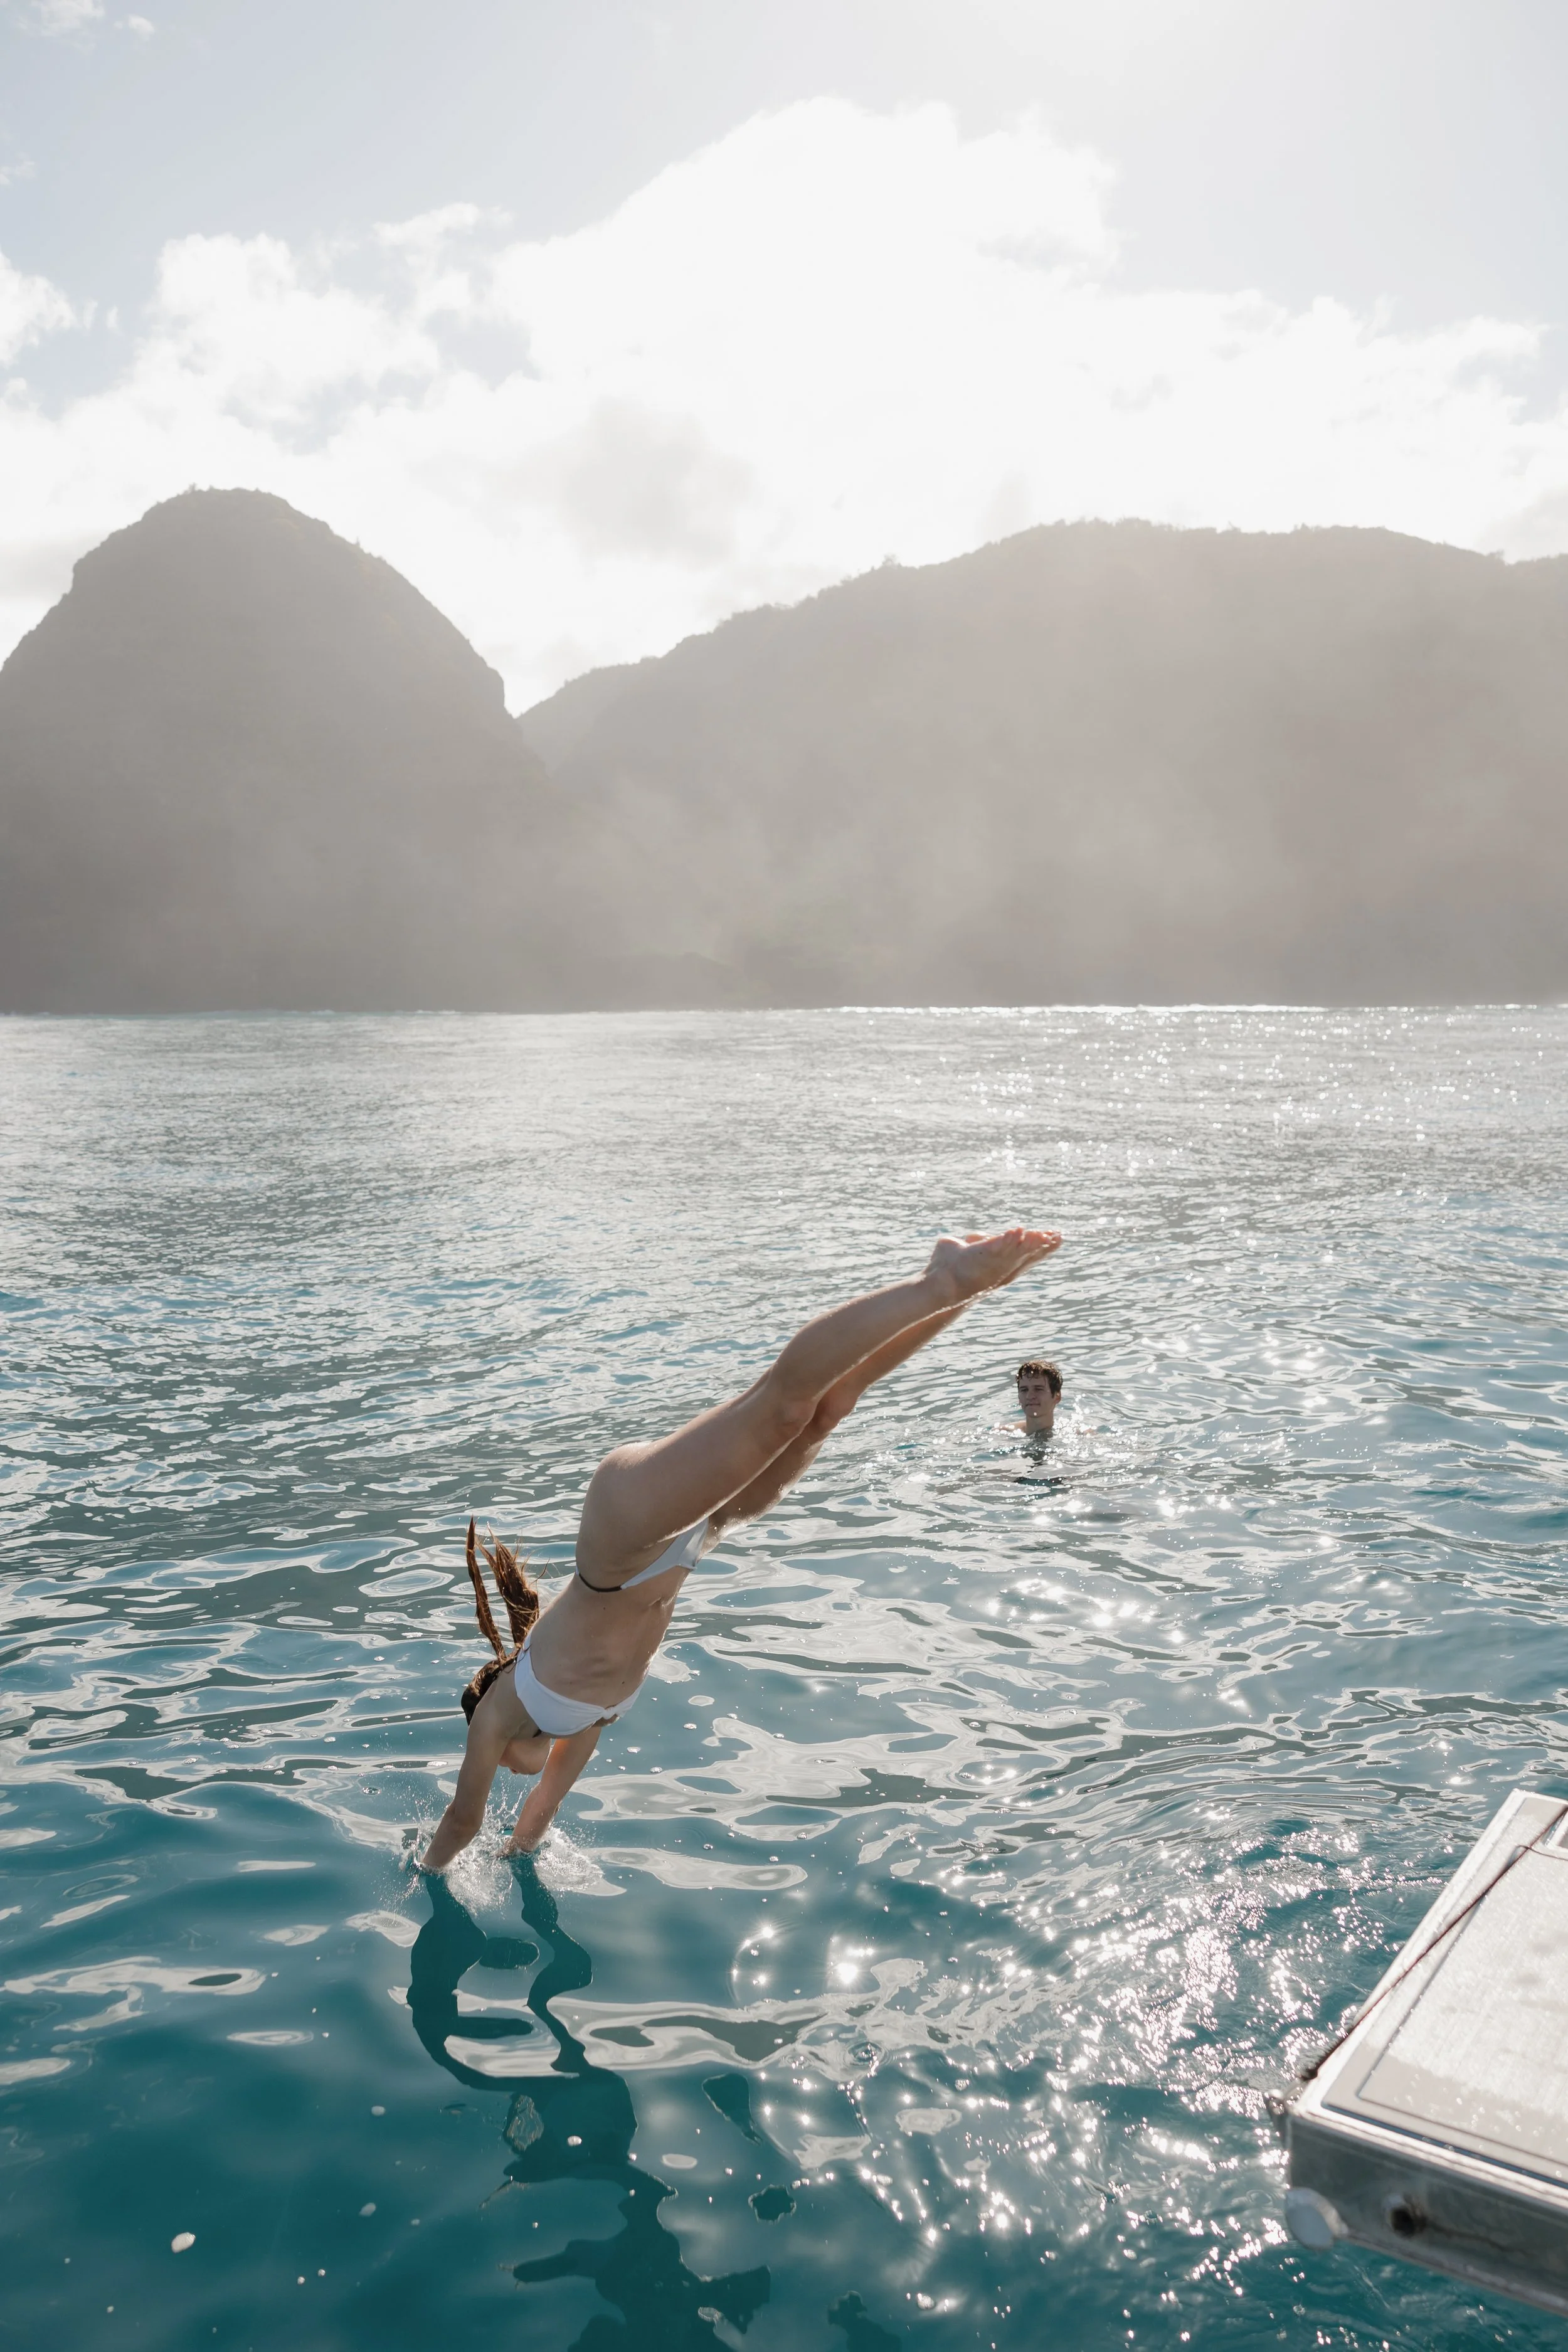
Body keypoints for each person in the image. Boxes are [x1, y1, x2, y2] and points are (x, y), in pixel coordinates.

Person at [420, 1227, 1061, 1870]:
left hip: (619, 1543)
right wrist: (517, 1855)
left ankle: (942, 1280)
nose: (511, 1774)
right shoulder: (584, 1721)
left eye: (503, 1768)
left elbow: (461, 1819)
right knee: (827, 1409)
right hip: (692, 1540)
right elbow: (541, 1812)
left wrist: (423, 1875)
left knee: (780, 1408)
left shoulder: (497, 1718)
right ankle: (968, 1292)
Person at [1015, 1358, 1062, 1437]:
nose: (1029, 1396)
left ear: (1057, 1396)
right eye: (1024, 1390)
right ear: (1019, 1398)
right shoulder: (1001, 1434)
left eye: (1038, 1389)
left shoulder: (1082, 1435)